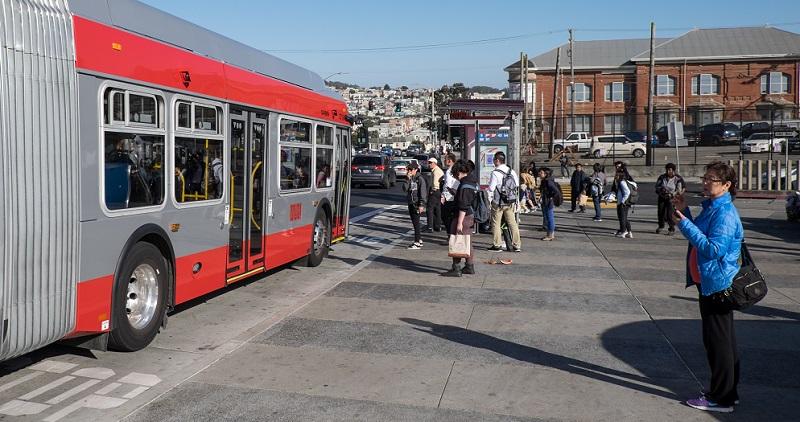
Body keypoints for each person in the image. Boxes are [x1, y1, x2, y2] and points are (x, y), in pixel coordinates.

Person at [672, 161, 743, 413]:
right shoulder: (713, 208)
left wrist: (684, 224)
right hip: (709, 281)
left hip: (717, 283)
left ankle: (721, 398)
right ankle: (727, 393)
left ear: (726, 185)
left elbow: (713, 249)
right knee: (721, 339)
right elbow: (700, 234)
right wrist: (685, 214)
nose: (705, 182)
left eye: (711, 179)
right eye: (705, 177)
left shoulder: (724, 213)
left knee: (718, 342)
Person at [442, 159, 478, 277]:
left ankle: (456, 268)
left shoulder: (465, 185)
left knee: (456, 239)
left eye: (455, 173)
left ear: (459, 172)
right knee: (467, 241)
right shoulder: (471, 181)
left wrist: (459, 223)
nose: (455, 176)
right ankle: (469, 266)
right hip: (469, 215)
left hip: (463, 216)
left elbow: (463, 205)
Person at [486, 151, 521, 252]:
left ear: (497, 160)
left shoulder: (495, 173)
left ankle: (497, 245)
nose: (493, 162)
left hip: (498, 203)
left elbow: (491, 188)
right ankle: (517, 245)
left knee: (496, 223)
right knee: (512, 223)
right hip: (510, 201)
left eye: (494, 160)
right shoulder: (511, 171)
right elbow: (516, 186)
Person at [402, 162, 427, 249]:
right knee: (414, 222)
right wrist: (407, 179)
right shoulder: (410, 178)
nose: (409, 171)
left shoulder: (419, 179)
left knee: (416, 223)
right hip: (411, 202)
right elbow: (405, 189)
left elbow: (423, 192)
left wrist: (421, 204)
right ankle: (419, 239)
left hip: (417, 203)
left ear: (416, 170)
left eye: (411, 169)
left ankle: (416, 242)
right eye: (408, 169)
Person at [655, 163, 685, 235]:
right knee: (661, 212)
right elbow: (657, 186)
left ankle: (671, 228)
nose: (668, 171)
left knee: (670, 213)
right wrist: (662, 191)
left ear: (673, 170)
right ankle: (661, 226)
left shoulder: (678, 178)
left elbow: (680, 189)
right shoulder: (662, 177)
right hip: (662, 197)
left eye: (670, 170)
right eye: (667, 170)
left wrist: (673, 194)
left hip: (672, 198)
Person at [440, 153, 459, 237]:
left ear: (450, 161)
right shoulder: (457, 169)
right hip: (456, 195)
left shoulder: (449, 171)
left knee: (445, 216)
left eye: (445, 159)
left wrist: (443, 196)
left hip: (449, 197)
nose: (444, 161)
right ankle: (452, 234)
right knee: (452, 217)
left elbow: (447, 185)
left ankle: (450, 235)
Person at [613, 164, 635, 238]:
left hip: (623, 203)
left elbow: (627, 192)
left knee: (622, 218)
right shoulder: (621, 182)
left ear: (620, 175)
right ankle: (629, 232)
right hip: (625, 202)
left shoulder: (622, 182)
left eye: (616, 175)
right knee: (624, 218)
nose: (615, 176)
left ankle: (623, 231)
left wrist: (622, 201)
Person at [538, 167, 558, 241]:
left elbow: (556, 191)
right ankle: (549, 234)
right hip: (545, 201)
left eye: (541, 172)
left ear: (546, 174)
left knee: (550, 218)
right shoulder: (544, 181)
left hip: (548, 202)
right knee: (548, 217)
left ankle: (550, 235)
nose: (539, 173)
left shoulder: (548, 181)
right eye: (540, 172)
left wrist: (550, 197)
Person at [425, 157, 445, 232]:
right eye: (429, 162)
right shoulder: (437, 170)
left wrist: (432, 190)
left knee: (429, 209)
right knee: (437, 209)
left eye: (431, 163)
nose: (429, 164)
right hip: (439, 191)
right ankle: (438, 225)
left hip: (435, 191)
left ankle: (430, 227)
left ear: (435, 163)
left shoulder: (436, 171)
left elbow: (435, 183)